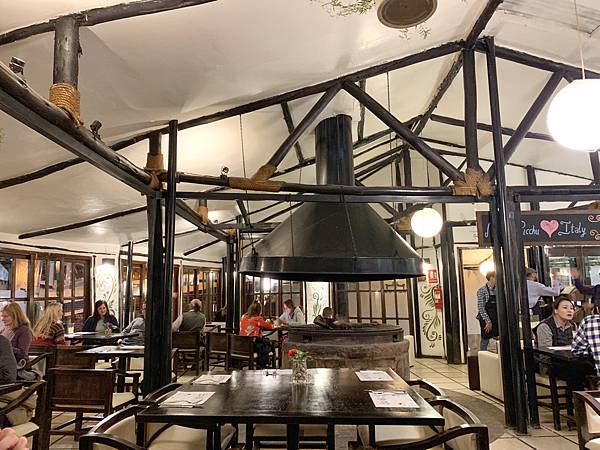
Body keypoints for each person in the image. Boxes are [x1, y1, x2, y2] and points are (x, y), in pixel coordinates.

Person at [240, 301, 273, 369]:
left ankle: (262, 363)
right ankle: (263, 365)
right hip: (251, 346)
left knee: (263, 342)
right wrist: (269, 322)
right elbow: (270, 327)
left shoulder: (243, 317)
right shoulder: (257, 319)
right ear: (258, 311)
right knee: (267, 344)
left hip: (242, 345)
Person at [476, 271, 498, 351]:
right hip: (485, 319)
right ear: (491, 278)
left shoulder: (498, 290)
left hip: (496, 317)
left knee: (500, 338)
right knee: (485, 339)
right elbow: (481, 307)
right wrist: (488, 322)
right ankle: (482, 356)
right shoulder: (482, 290)